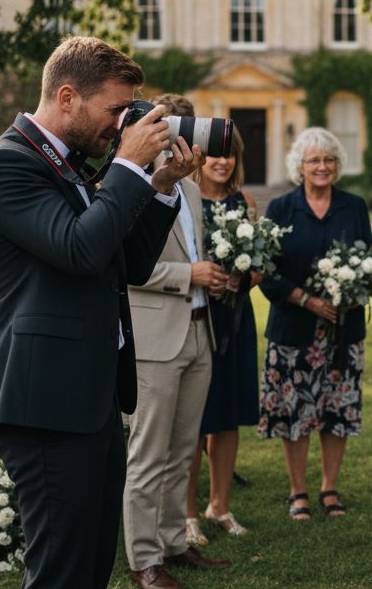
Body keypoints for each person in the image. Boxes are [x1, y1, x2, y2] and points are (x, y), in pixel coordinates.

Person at [0, 36, 200, 589]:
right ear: (67, 97)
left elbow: (128, 264)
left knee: (92, 567)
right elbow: (79, 250)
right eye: (116, 110)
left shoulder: (73, 166)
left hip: (92, 396)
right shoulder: (6, 164)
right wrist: (127, 166)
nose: (122, 125)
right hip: (45, 402)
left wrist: (160, 186)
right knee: (61, 572)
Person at [123, 94, 231, 589]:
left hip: (198, 330)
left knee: (183, 450)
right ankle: (144, 559)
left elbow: (195, 253)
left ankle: (173, 542)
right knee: (149, 454)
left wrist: (214, 277)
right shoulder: (131, 184)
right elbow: (127, 267)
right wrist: (189, 275)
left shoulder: (189, 188)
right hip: (154, 339)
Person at [258, 127, 372, 521]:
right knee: (295, 413)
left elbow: (369, 264)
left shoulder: (354, 207)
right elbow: (266, 271)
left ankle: (329, 487)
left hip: (343, 333)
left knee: (336, 410)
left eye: (328, 160)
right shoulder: (281, 208)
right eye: (314, 161)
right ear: (300, 166)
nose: (322, 167)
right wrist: (307, 300)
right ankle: (298, 491)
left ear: (337, 165)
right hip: (293, 331)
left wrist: (351, 295)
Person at [185, 126, 259, 540]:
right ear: (200, 156)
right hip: (195, 316)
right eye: (215, 153)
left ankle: (220, 506)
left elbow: (260, 264)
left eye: (230, 154)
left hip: (236, 316)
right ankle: (187, 514)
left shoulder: (245, 202)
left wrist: (242, 278)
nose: (222, 161)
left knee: (228, 414)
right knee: (194, 418)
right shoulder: (185, 198)